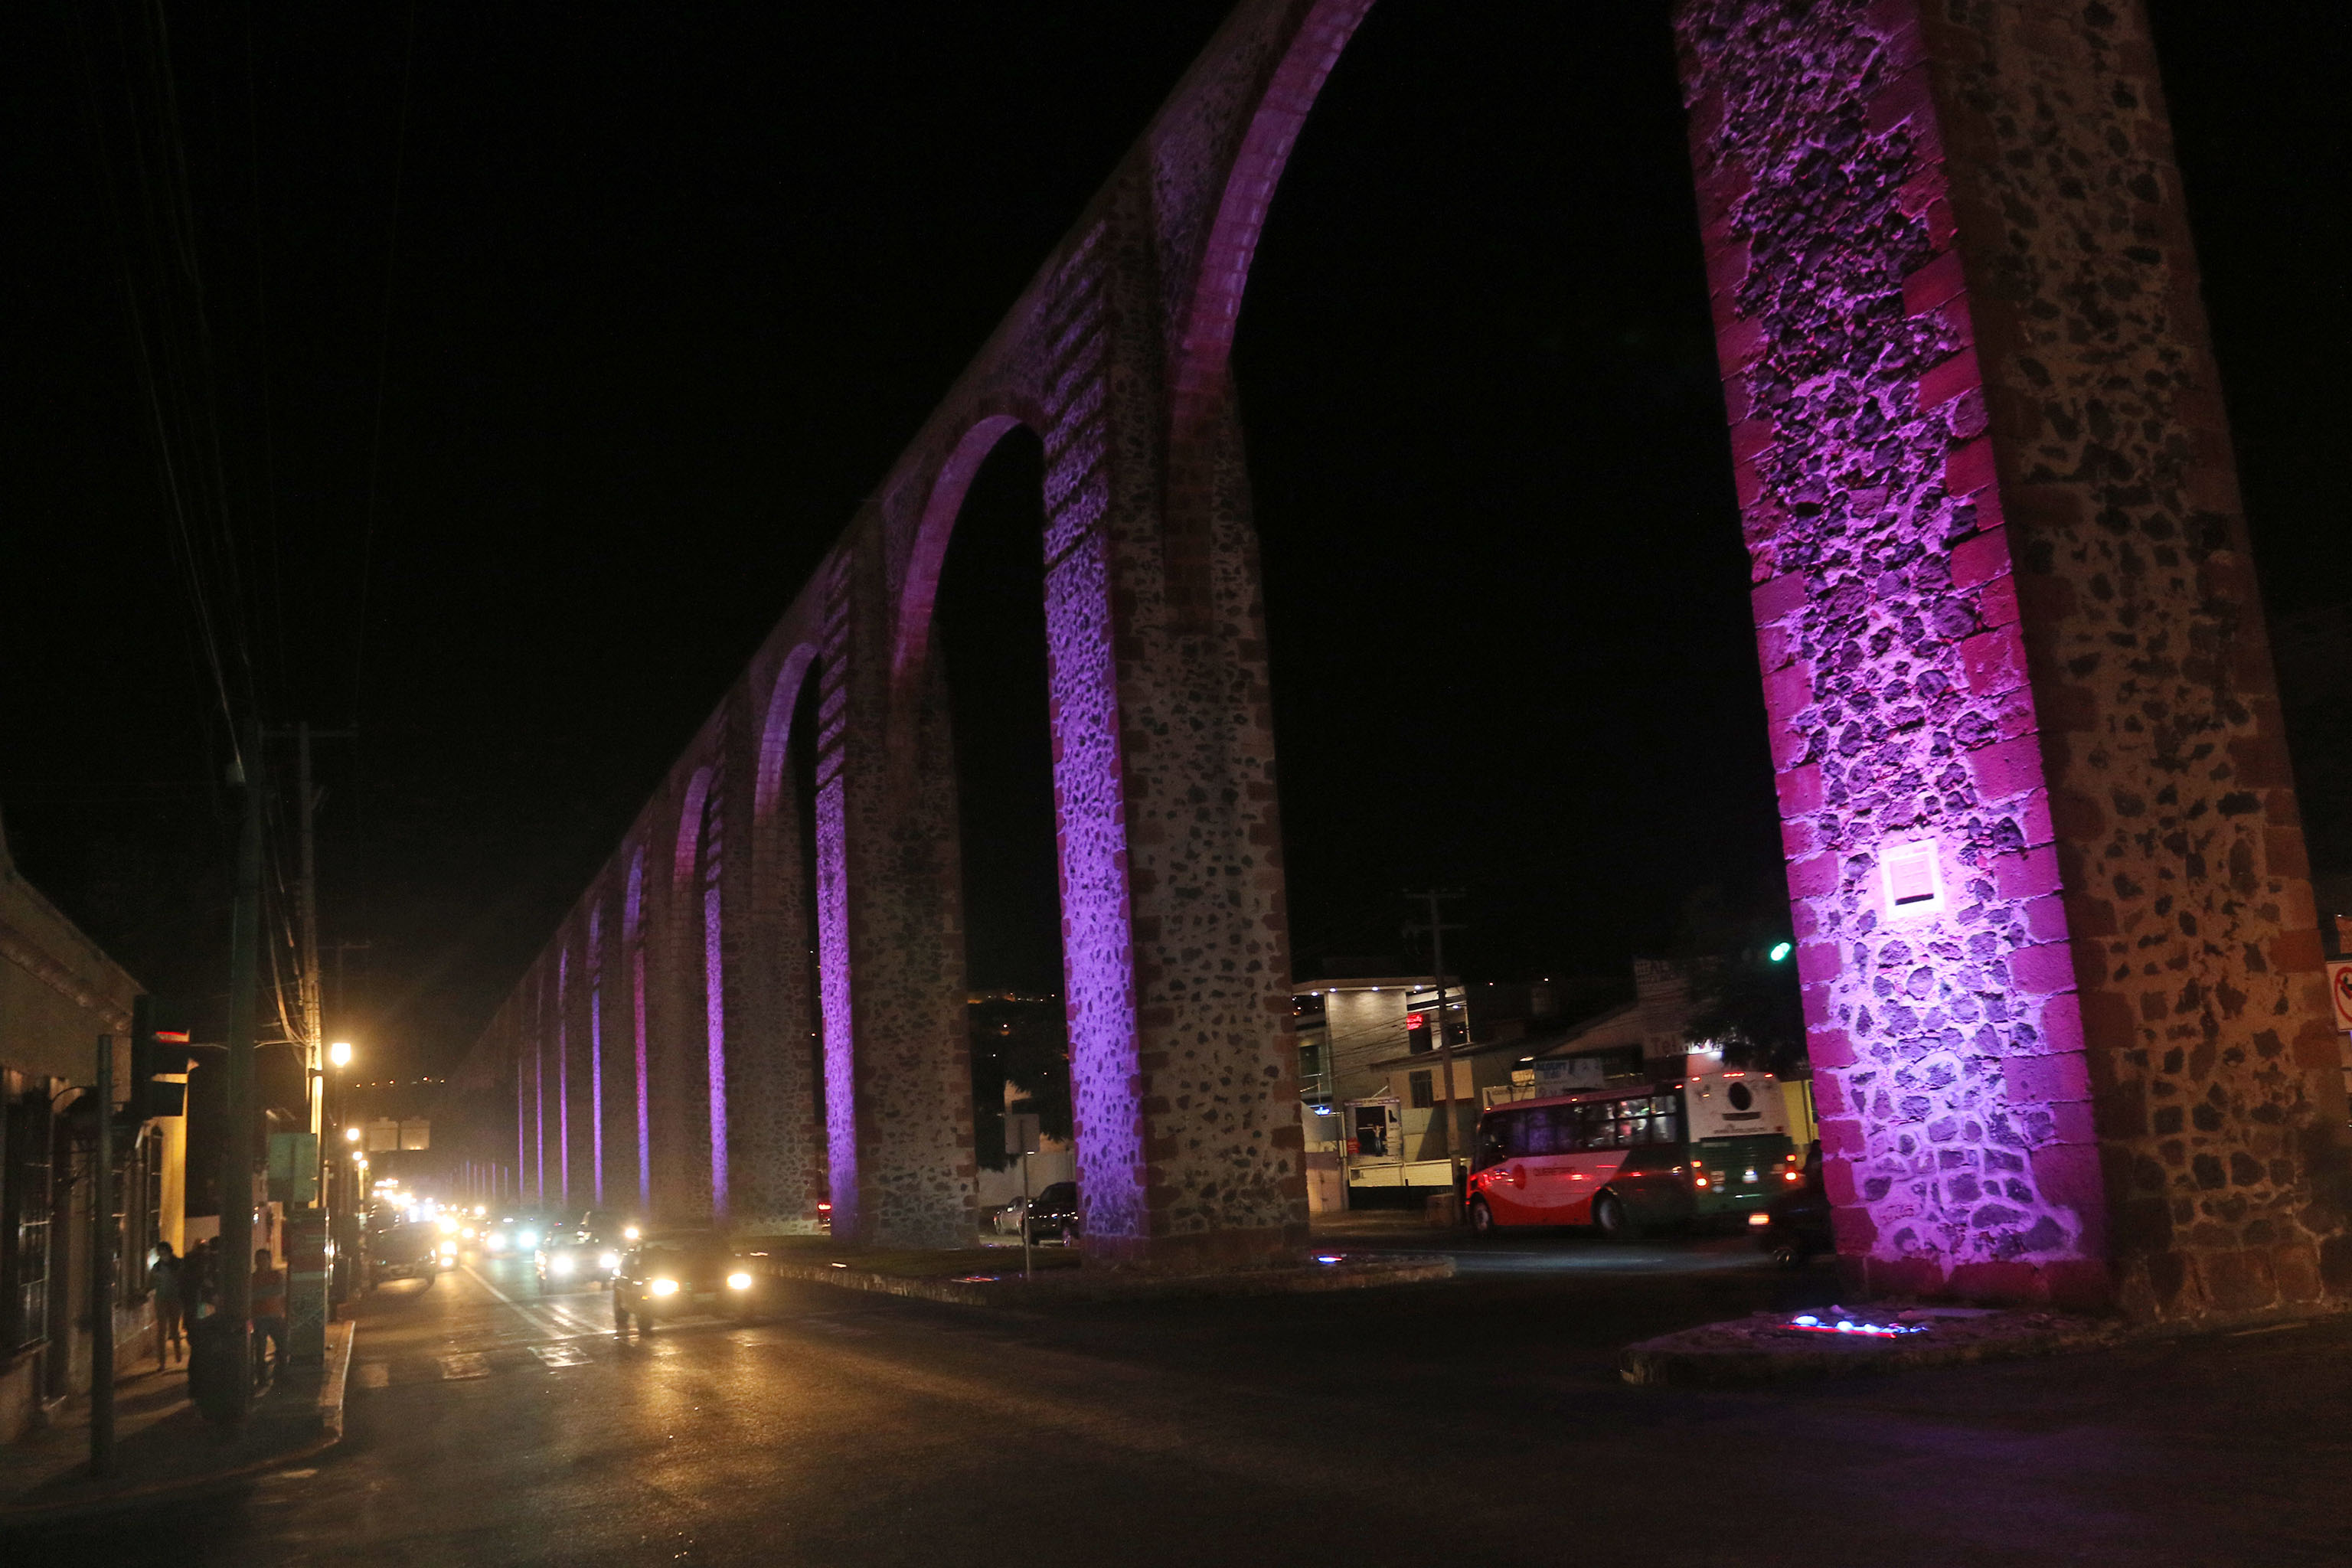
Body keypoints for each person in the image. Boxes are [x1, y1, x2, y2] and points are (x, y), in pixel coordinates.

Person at [250, 1247, 288, 1391]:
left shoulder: (277, 1276)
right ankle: (262, 1379)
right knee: (260, 1350)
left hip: (275, 1317)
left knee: (283, 1346)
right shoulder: (252, 1278)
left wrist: (259, 1294)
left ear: (269, 1261)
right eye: (259, 1260)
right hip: (259, 1318)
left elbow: (279, 1291)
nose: (261, 1262)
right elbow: (253, 1295)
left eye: (264, 1259)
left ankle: (280, 1376)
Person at [150, 1242, 187, 1367]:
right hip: (161, 1300)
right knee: (161, 1330)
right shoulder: (157, 1267)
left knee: (174, 1329)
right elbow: (151, 1283)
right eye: (160, 1253)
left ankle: (177, 1353)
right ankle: (162, 1361)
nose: (162, 1255)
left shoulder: (179, 1265)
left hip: (175, 1299)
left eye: (164, 1252)